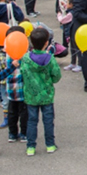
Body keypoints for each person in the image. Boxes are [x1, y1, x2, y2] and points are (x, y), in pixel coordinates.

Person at [21, 27, 61, 156]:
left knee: (32, 121)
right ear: (46, 43)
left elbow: (23, 73)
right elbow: (56, 76)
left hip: (31, 94)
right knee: (48, 120)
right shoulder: (50, 59)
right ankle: (50, 144)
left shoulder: (26, 58)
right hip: (47, 94)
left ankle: (30, 147)